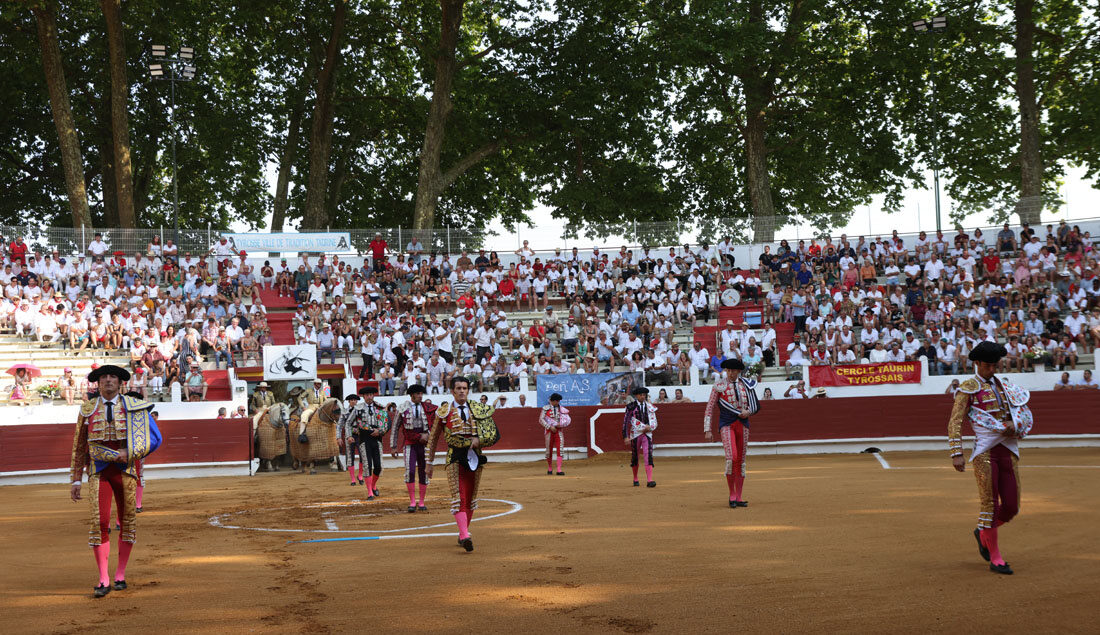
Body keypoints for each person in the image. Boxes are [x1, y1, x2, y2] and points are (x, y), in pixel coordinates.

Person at [69, 365, 160, 598]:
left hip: (126, 470)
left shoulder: (135, 407)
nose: (108, 380)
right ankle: (103, 578)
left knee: (128, 521)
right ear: (97, 383)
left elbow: (155, 438)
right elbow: (79, 446)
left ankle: (120, 574)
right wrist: (76, 480)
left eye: (113, 377)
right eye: (104, 377)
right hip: (99, 472)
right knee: (99, 523)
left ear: (120, 383)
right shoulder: (87, 409)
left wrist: (130, 452)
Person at [947, 341, 1034, 575]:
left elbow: (1021, 414)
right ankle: (995, 557)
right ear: (977, 364)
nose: (992, 370)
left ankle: (983, 531)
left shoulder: (1005, 386)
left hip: (1008, 450)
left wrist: (1013, 424)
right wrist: (957, 453)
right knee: (990, 505)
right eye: (987, 365)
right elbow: (955, 422)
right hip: (984, 452)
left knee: (1012, 507)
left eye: (995, 365)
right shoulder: (968, 388)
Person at [426, 376, 500, 552]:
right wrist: (429, 462)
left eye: (464, 388)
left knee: (471, 496)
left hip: (475, 456)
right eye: (458, 388)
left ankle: (463, 533)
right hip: (454, 456)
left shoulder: (477, 409)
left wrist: (479, 439)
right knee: (459, 497)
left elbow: (491, 432)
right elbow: (433, 438)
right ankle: (464, 534)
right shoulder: (443, 412)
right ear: (452, 391)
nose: (461, 391)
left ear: (468, 390)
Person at [703, 359, 760, 508]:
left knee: (740, 460)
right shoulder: (719, 386)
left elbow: (753, 404)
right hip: (727, 424)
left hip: (743, 424)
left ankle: (739, 497)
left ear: (738, 371)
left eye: (733, 371)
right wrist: (707, 429)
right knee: (731, 457)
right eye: (728, 370)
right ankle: (732, 495)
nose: (730, 373)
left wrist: (749, 412)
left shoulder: (746, 385)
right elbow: (710, 407)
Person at [390, 384, 437, 512]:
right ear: (412, 395)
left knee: (424, 472)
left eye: (421, 394)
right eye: (418, 394)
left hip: (424, 444)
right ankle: (412, 501)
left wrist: (428, 435)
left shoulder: (427, 407)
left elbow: (434, 425)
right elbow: (395, 428)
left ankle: (421, 502)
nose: (420, 396)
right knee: (410, 471)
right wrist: (393, 447)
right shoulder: (402, 408)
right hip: (410, 443)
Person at [357, 386, 390, 499]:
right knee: (367, 466)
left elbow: (386, 424)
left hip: (377, 439)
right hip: (364, 440)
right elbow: (348, 423)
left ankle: (373, 485)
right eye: (367, 395)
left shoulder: (380, 408)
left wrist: (380, 431)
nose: (369, 397)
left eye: (371, 394)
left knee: (378, 466)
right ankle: (370, 492)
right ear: (363, 396)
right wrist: (348, 436)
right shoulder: (358, 409)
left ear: (373, 395)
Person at [622, 386, 658, 488]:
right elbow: (626, 422)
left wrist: (650, 427)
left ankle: (650, 480)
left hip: (647, 434)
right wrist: (625, 436)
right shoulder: (630, 407)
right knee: (635, 456)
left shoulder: (649, 406)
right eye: (641, 395)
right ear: (637, 396)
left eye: (644, 395)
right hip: (635, 434)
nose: (643, 397)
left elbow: (654, 421)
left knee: (648, 455)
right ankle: (635, 478)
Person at [338, 393, 367, 486]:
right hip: (349, 436)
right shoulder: (344, 412)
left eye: (355, 400)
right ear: (349, 401)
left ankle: (360, 476)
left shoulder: (361, 410)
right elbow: (339, 426)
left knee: (363, 455)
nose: (354, 402)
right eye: (352, 400)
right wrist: (338, 437)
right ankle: (353, 479)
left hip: (360, 435)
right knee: (350, 457)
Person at [539, 392, 571, 475]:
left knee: (560, 449)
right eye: (556, 401)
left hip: (559, 431)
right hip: (549, 432)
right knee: (548, 450)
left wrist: (562, 424)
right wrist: (549, 427)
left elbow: (566, 420)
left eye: (558, 401)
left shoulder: (562, 409)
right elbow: (541, 420)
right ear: (552, 401)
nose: (558, 402)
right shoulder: (545, 408)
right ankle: (550, 468)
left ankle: (559, 470)